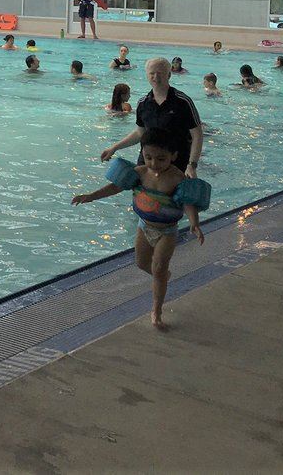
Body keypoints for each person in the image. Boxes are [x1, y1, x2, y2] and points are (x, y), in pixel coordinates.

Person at [73, 127, 209, 330]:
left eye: (161, 159)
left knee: (158, 267)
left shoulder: (177, 178)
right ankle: (163, 277)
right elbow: (116, 187)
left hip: (167, 231)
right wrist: (91, 196)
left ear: (174, 156)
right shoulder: (139, 173)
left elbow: (188, 203)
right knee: (141, 263)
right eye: (148, 157)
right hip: (144, 226)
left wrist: (194, 224)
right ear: (142, 152)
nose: (154, 163)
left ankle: (156, 311)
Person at [101, 57, 203, 180]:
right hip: (147, 164)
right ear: (147, 75)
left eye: (160, 73)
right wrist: (114, 148)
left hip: (176, 165)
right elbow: (140, 133)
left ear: (169, 75)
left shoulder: (183, 101)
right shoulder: (143, 103)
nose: (155, 77)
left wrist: (192, 165)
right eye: (152, 73)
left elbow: (197, 135)